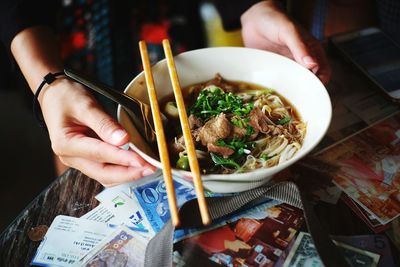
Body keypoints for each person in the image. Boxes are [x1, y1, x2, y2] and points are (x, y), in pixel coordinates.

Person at [0, 0, 330, 186]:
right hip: (66, 34)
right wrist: (49, 85)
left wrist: (254, 7)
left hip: (166, 25)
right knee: (83, 148)